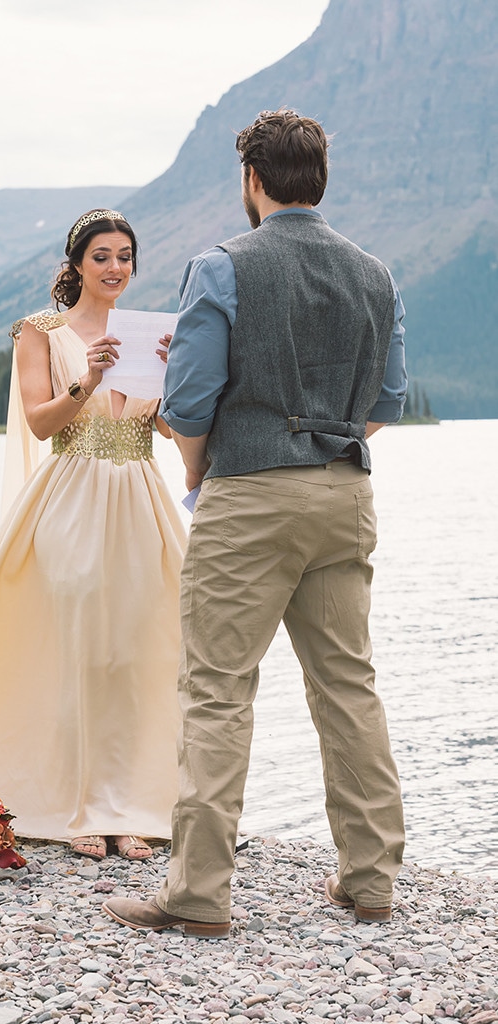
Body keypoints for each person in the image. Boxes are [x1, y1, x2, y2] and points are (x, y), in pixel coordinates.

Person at [102, 110, 407, 933]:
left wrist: (199, 470)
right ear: (319, 179)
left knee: (216, 692)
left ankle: (198, 895)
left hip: (248, 497)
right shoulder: (374, 273)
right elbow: (386, 401)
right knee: (348, 687)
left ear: (252, 180)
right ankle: (369, 880)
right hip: (343, 494)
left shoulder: (221, 266)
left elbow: (191, 400)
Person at [0, 209, 187, 862]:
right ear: (77, 264)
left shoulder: (149, 334)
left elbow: (167, 431)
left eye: (125, 256)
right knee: (79, 649)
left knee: (135, 652)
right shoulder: (42, 332)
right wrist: (88, 379)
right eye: (103, 256)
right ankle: (78, 805)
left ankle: (131, 807)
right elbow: (39, 423)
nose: (116, 268)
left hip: (141, 498)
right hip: (72, 499)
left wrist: (173, 379)